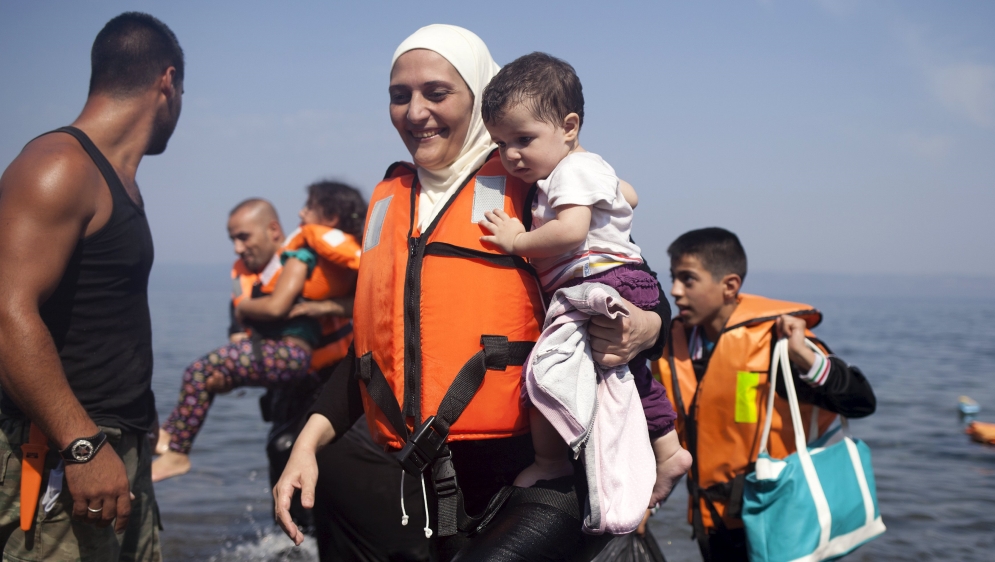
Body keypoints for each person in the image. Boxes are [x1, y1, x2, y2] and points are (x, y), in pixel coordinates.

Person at [275, 24, 683, 561]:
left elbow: (633, 279)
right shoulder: (391, 202)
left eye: (437, 93)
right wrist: (307, 444)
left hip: (547, 472)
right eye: (400, 96)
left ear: (479, 94)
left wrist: (646, 327)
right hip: (440, 485)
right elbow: (374, 356)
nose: (416, 111)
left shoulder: (533, 180)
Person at [0, 12, 182, 560]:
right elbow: (7, 311)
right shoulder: (59, 166)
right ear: (166, 83)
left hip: (116, 450)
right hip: (59, 456)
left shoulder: (119, 181)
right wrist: (81, 444)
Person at [477, 51, 688, 492]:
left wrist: (518, 241)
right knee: (628, 373)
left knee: (544, 371)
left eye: (523, 139)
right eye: (499, 143)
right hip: (626, 280)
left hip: (600, 281)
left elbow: (571, 233)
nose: (510, 155)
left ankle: (550, 462)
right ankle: (669, 451)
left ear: (569, 127)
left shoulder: (571, 171)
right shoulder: (585, 168)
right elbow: (629, 195)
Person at [654, 227, 877, 561]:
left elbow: (861, 402)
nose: (675, 292)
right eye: (673, 278)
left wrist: (805, 358)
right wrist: (645, 504)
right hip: (711, 523)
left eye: (688, 280)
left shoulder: (776, 343)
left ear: (729, 286)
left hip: (779, 518)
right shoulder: (671, 349)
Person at [152, 184, 364, 482]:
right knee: (276, 448)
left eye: (243, 237)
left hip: (326, 382)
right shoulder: (248, 285)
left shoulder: (302, 258)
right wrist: (225, 379)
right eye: (232, 240)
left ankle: (175, 445)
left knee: (197, 371)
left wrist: (319, 308)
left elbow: (359, 300)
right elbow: (239, 348)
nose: (238, 248)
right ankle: (173, 440)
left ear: (274, 231)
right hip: (287, 388)